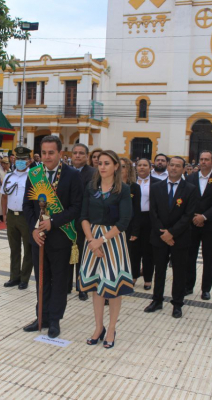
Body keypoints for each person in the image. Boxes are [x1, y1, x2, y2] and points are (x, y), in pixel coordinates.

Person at [22, 135, 83, 338]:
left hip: (60, 237)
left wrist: (53, 221)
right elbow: (27, 206)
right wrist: (33, 228)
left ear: (60, 153)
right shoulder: (34, 174)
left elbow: (76, 207)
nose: (47, 157)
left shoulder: (72, 175)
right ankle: (42, 317)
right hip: (38, 238)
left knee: (58, 281)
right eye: (44, 153)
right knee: (41, 279)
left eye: (51, 153)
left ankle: (55, 319)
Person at [80, 151, 133, 349]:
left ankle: (111, 328)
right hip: (92, 239)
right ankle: (98, 327)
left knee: (112, 286)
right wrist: (91, 241)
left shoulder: (123, 190)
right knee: (96, 286)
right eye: (100, 163)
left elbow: (124, 221)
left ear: (116, 166)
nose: (102, 167)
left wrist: (101, 240)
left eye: (107, 163)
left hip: (112, 240)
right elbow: (83, 216)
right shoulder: (91, 187)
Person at [144, 156, 198, 318]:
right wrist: (163, 232)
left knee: (179, 271)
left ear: (184, 169)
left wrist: (171, 233)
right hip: (159, 236)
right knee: (159, 269)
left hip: (179, 238)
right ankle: (157, 300)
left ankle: (177, 303)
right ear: (167, 167)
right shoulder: (156, 187)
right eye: (171, 165)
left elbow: (188, 215)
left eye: (178, 166)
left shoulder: (190, 189)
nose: (174, 168)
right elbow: (152, 212)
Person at [185, 150, 212, 300]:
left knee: (208, 258)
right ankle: (188, 285)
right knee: (190, 256)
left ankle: (206, 289)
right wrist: (194, 217)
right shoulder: (189, 178)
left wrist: (204, 216)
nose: (203, 162)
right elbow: (186, 201)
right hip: (192, 223)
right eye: (201, 159)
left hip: (210, 224)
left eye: (206, 159)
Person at [1, 147, 34, 290]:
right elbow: (4, 195)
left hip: (26, 217)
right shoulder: (9, 176)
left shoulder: (33, 176)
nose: (20, 162)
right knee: (14, 248)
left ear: (29, 161)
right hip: (11, 215)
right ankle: (14, 277)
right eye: (18, 159)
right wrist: (4, 214)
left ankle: (24, 278)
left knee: (28, 249)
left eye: (23, 159)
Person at [68, 143, 96, 301]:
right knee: (66, 254)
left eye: (81, 153)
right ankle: (66, 285)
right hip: (66, 221)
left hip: (83, 221)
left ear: (87, 156)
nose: (77, 156)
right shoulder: (64, 171)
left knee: (82, 256)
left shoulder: (93, 173)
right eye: (75, 153)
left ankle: (82, 287)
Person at [134, 158, 160, 290]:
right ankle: (132, 275)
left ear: (150, 168)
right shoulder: (131, 182)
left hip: (150, 218)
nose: (142, 167)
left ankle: (148, 278)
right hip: (134, 218)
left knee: (148, 250)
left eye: (145, 165)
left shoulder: (157, 183)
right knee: (134, 249)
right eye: (140, 165)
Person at [119, 157, 142, 287]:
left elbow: (137, 210)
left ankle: (128, 277)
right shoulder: (111, 184)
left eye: (123, 166)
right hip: (114, 225)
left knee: (129, 253)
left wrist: (135, 230)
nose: (121, 169)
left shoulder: (134, 187)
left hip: (129, 226)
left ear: (129, 169)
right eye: (119, 166)